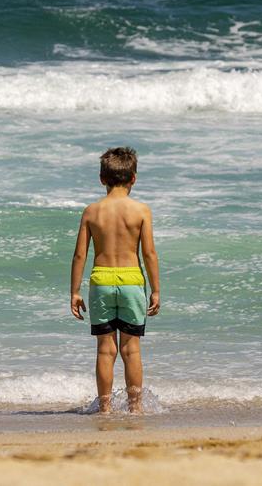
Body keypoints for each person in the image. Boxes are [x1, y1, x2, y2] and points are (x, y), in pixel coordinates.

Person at [70, 146, 160, 414]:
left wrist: (74, 291)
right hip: (132, 282)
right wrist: (155, 289)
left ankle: (106, 409)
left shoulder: (91, 212)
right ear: (134, 178)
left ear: (102, 179)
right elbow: (149, 253)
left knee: (105, 350)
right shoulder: (141, 211)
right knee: (131, 350)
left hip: (101, 283)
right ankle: (135, 408)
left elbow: (79, 255)